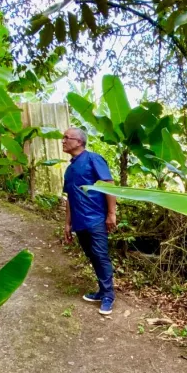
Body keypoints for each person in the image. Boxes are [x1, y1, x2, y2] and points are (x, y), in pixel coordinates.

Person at [61, 127, 118, 315]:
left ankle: (109, 295)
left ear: (79, 141)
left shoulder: (93, 159)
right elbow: (70, 196)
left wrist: (111, 214)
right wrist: (67, 223)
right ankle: (102, 291)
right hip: (79, 222)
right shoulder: (69, 169)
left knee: (100, 256)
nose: (63, 141)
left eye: (66, 138)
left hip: (96, 218)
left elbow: (108, 185)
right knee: (92, 256)